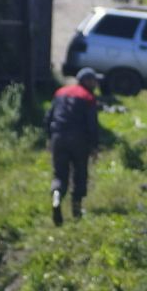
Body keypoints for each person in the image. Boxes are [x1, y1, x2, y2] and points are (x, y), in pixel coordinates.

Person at [47, 68, 101, 226]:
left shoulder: (60, 92)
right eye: (93, 80)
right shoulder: (88, 97)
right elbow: (92, 124)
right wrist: (94, 146)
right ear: (87, 81)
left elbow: (49, 117)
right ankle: (76, 210)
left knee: (59, 174)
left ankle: (56, 198)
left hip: (58, 136)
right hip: (79, 139)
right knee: (79, 173)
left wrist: (50, 138)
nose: (95, 84)